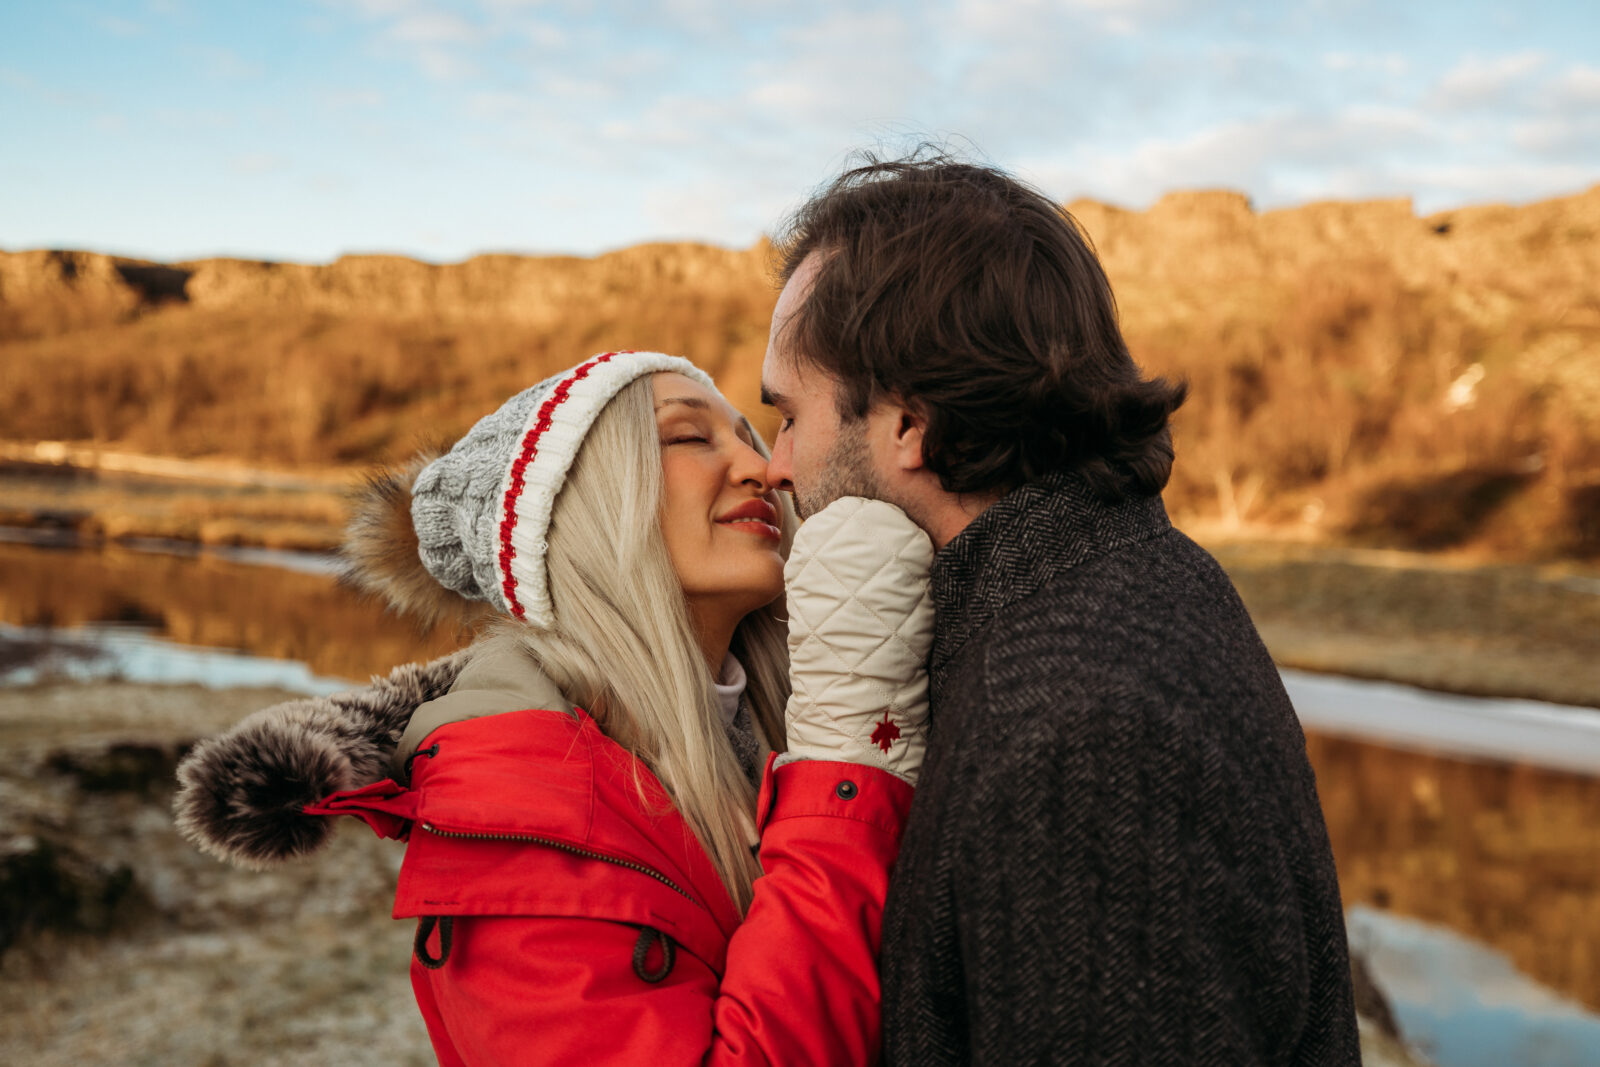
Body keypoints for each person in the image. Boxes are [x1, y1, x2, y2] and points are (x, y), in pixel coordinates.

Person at [759, 154, 1362, 1065]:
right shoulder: (1119, 579)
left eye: (788, 415)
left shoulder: (1073, 728)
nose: (773, 464)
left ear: (909, 425)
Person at [174, 350, 937, 1065]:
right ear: (577, 510)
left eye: (753, 432)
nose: (763, 467)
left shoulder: (784, 717)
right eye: (688, 436)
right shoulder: (520, 811)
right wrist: (844, 775)